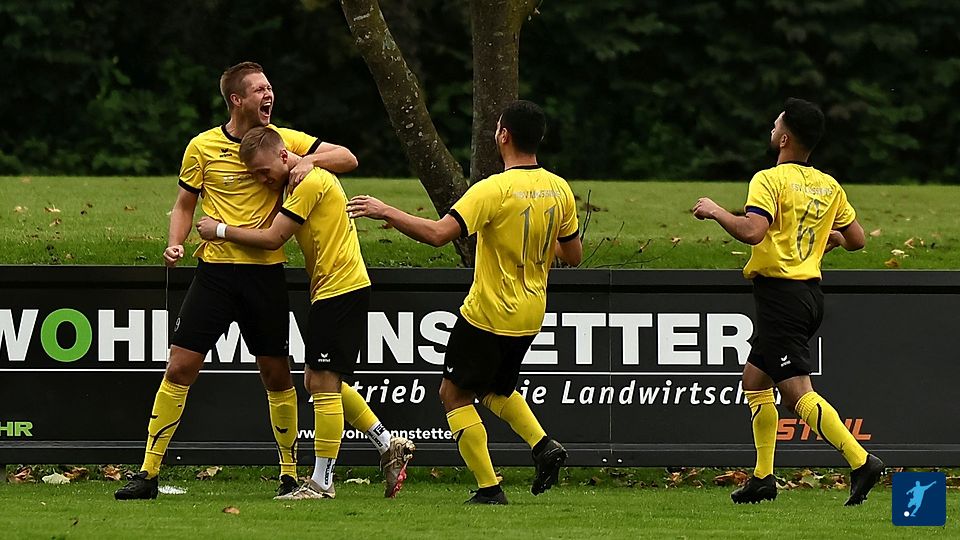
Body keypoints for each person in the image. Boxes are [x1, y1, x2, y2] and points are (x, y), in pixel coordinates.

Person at [115, 62, 359, 500]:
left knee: (276, 374)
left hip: (264, 274)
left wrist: (308, 160)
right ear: (237, 99)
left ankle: (288, 474)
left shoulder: (281, 141)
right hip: (215, 273)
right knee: (180, 366)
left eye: (269, 87)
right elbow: (185, 204)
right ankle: (148, 473)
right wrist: (174, 243)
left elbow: (347, 157)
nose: (269, 94)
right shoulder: (202, 146)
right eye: (259, 89)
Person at [347, 100, 582, 505]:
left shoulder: (493, 190)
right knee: (494, 389)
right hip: (530, 314)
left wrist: (386, 211)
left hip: (489, 312)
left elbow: (439, 234)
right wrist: (536, 245)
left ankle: (490, 488)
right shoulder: (559, 189)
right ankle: (543, 446)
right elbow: (573, 254)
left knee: (453, 395)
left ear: (503, 135)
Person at [195, 126, 415, 499]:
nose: (263, 180)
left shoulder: (309, 182)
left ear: (284, 156)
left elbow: (273, 238)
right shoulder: (301, 177)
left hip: (341, 287)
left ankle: (322, 482)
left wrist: (219, 229)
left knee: (324, 384)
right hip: (333, 287)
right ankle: (387, 443)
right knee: (316, 380)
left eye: (264, 172)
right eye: (255, 175)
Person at [692, 97, 883, 506]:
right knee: (754, 381)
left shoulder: (769, 180)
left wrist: (715, 211)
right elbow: (856, 239)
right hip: (808, 295)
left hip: (781, 297)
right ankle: (763, 478)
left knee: (797, 393)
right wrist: (826, 241)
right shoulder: (829, 185)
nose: (772, 128)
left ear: (784, 138)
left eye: (776, 123)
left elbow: (752, 231)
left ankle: (861, 461)